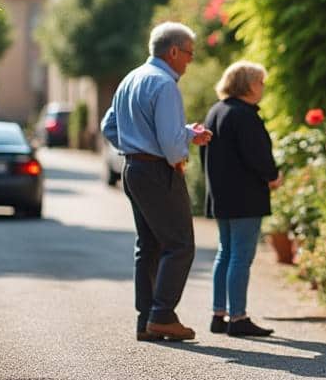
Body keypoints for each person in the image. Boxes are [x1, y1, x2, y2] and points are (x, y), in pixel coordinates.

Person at [101, 22, 214, 342]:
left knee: (148, 245)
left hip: (133, 168)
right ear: (174, 51)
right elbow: (168, 141)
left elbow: (109, 125)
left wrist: (136, 144)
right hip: (157, 171)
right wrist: (179, 153)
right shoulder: (164, 84)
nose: (190, 62)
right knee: (180, 245)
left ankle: (146, 318)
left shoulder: (130, 78)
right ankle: (163, 315)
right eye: (189, 54)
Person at [202, 61, 282, 338]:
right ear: (248, 84)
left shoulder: (216, 111)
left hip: (222, 195)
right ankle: (238, 317)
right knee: (241, 256)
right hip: (245, 197)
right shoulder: (245, 115)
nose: (262, 88)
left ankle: (218, 314)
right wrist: (273, 176)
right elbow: (257, 154)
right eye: (260, 82)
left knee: (225, 252)